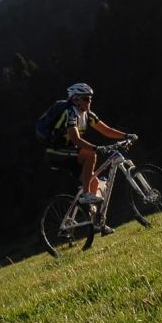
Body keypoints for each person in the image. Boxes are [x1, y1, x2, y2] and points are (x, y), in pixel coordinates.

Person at [45, 83, 136, 233]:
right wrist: (96, 148)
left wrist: (126, 136)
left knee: (96, 185)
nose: (89, 102)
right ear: (75, 99)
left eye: (91, 99)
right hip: (56, 152)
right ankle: (85, 195)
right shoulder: (70, 113)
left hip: (71, 153)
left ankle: (97, 223)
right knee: (91, 154)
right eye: (86, 99)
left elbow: (106, 130)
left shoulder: (88, 114)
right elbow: (75, 139)